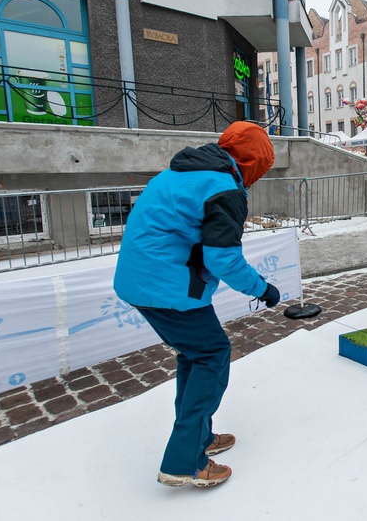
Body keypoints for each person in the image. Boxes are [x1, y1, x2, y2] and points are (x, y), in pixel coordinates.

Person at [113, 121, 280, 488]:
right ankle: (184, 460)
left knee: (194, 355)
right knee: (211, 354)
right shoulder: (223, 187)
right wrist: (263, 288)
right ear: (253, 163)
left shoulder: (181, 172)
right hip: (167, 286)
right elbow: (222, 258)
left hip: (144, 280)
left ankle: (200, 437)